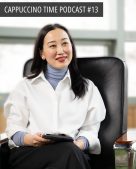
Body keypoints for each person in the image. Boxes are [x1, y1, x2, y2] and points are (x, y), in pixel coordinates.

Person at [4, 23, 106, 169]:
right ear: (42, 53)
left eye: (65, 43)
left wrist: (79, 144)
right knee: (69, 154)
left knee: (69, 152)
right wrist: (31, 139)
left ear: (72, 47)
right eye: (52, 46)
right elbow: (14, 127)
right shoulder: (25, 86)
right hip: (32, 153)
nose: (61, 50)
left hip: (72, 152)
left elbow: (91, 129)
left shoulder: (88, 88)